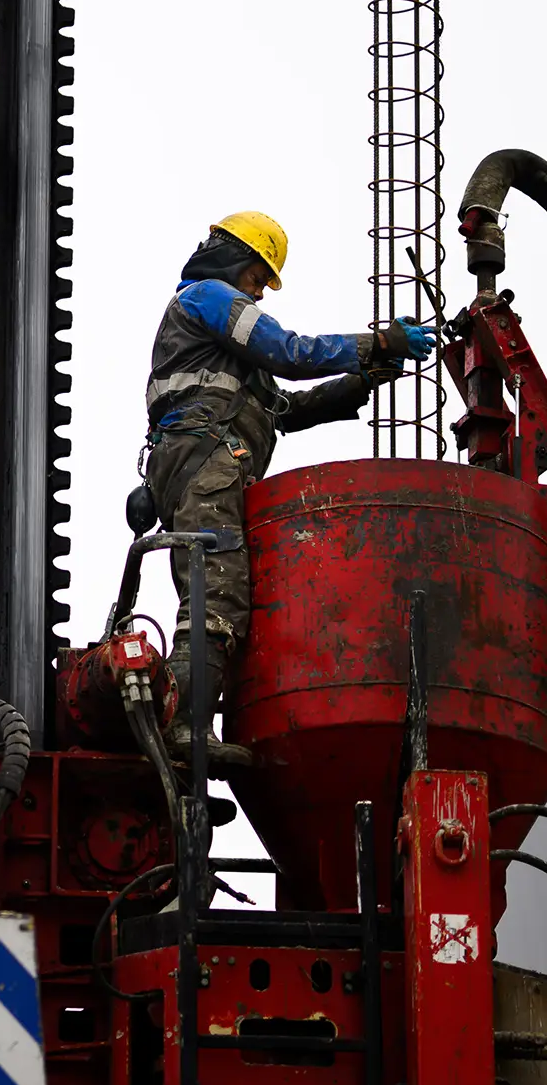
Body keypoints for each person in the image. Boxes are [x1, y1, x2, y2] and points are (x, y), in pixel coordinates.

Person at [143, 211, 433, 768]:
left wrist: (366, 375)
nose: (258, 292)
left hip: (208, 465)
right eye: (257, 277)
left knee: (222, 595)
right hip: (207, 463)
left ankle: (185, 720)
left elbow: (283, 408)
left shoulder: (224, 352)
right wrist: (377, 342)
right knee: (216, 597)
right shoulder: (206, 297)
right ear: (232, 258)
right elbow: (291, 352)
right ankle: (180, 725)